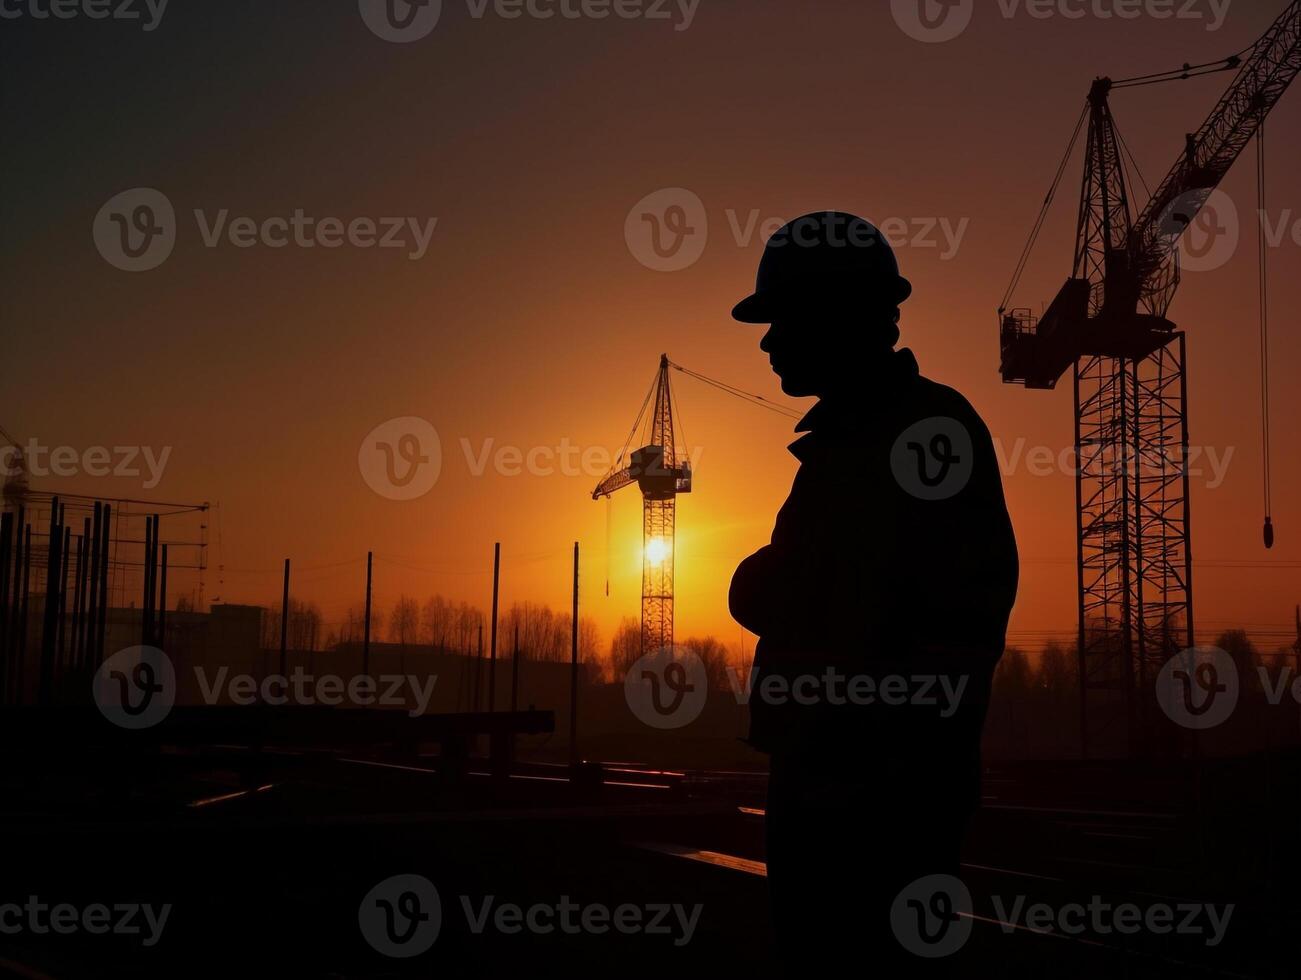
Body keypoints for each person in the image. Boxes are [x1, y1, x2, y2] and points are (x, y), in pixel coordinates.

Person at [729, 211, 1019, 973]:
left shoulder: (912, 437)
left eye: (781, 320)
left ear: (836, 317)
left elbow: (809, 589)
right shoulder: (860, 441)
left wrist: (761, 581)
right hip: (840, 778)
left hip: (873, 796)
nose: (767, 341)